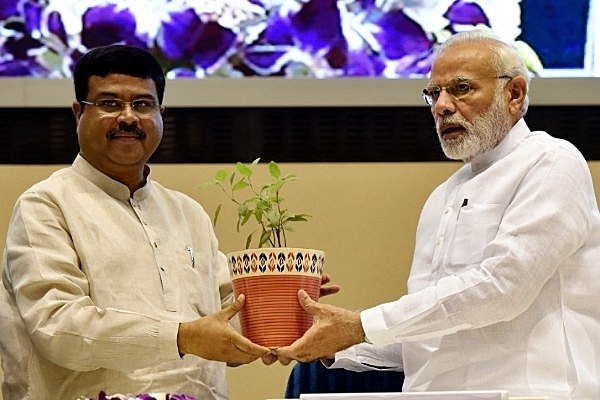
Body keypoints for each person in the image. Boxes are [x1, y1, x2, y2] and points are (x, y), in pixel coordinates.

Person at [276, 29, 600, 400]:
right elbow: (428, 336)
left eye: (461, 89)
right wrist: (333, 341)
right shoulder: (441, 197)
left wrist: (361, 325)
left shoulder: (552, 161)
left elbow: (503, 288)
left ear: (515, 94)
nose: (441, 106)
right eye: (433, 93)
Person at [0, 44, 280, 400]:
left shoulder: (186, 212)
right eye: (110, 103)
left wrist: (284, 311)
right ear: (78, 113)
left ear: (161, 114)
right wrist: (182, 337)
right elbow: (59, 327)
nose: (129, 117)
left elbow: (228, 315)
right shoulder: (46, 205)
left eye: (143, 104)